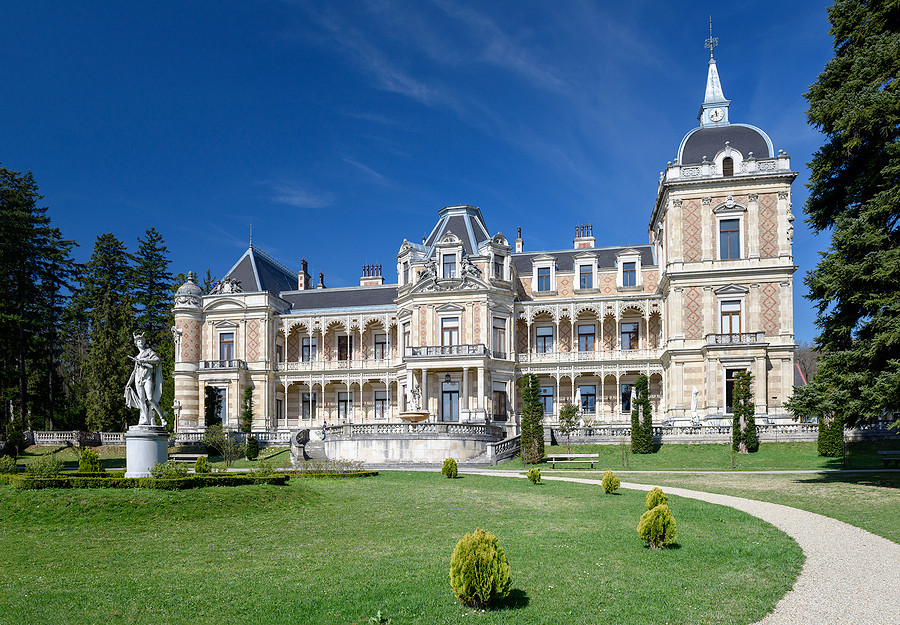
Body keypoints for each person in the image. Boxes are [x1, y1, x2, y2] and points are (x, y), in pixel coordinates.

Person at [125, 332, 167, 427]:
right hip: (138, 378)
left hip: (147, 377)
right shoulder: (137, 357)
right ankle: (145, 419)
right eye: (138, 341)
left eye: (141, 340)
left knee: (150, 398)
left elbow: (157, 360)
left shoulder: (148, 351)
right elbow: (134, 371)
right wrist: (128, 384)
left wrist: (145, 360)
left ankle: (161, 417)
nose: (140, 342)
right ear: (136, 343)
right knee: (142, 400)